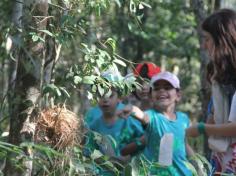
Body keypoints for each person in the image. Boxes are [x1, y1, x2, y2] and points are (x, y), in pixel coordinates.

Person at [187, 9, 236, 174]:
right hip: (222, 158)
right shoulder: (220, 79)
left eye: (207, 39)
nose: (204, 45)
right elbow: (216, 118)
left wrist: (202, 128)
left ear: (222, 40)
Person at [118, 71, 193, 176]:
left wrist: (197, 165)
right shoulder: (152, 117)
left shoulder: (183, 119)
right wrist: (131, 109)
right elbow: (141, 115)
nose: (161, 90)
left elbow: (185, 144)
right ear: (150, 96)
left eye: (167, 87)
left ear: (178, 95)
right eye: (156, 88)